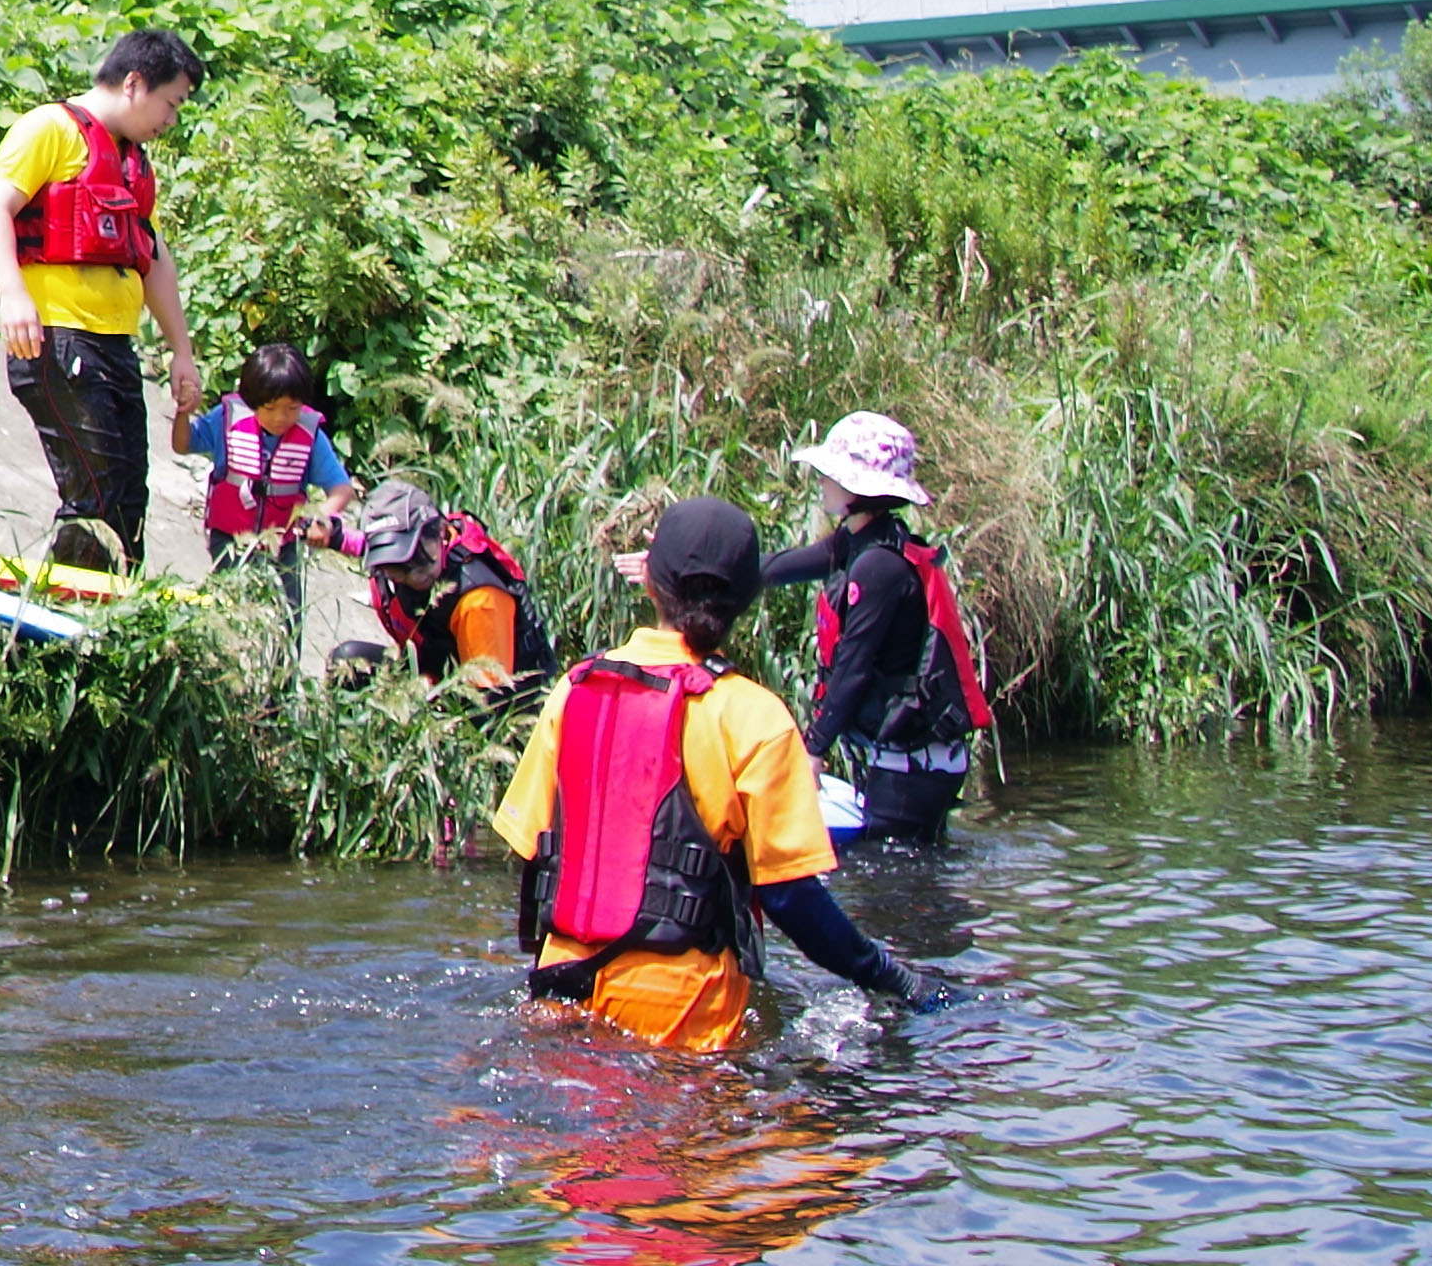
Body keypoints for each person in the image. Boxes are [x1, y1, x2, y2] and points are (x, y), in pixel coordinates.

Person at [494, 495, 947, 1051]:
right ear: (748, 601)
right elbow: (790, 899)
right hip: (682, 1010)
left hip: (559, 991)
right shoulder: (754, 716)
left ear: (651, 584)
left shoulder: (577, 687)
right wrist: (890, 976)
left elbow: (531, 851)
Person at [0, 30, 206, 573]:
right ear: (134, 83)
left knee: (127, 499)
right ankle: (68, 628)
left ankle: (112, 623)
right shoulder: (49, 129)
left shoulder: (132, 162)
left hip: (113, 348)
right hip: (57, 340)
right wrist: (13, 294)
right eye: (170, 104)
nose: (170, 121)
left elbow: (152, 256)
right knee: (95, 497)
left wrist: (182, 351)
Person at [763, 411, 994, 845]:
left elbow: (854, 668)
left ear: (860, 488)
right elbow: (774, 570)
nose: (821, 480)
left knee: (894, 891)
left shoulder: (879, 566)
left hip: (915, 766)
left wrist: (812, 751)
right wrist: (686, 573)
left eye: (831, 473)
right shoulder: (859, 543)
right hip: (902, 761)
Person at [322, 480, 556, 707]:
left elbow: (487, 704)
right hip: (433, 677)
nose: (413, 574)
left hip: (486, 704)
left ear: (441, 531)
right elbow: (368, 545)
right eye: (398, 568)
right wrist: (336, 537)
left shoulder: (479, 600)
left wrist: (423, 701)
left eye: (419, 559)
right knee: (348, 662)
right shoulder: (391, 563)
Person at [172, 341, 355, 626]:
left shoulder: (310, 436)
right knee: (232, 612)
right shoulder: (226, 420)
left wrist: (321, 519)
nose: (282, 418)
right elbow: (182, 445)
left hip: (285, 544)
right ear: (251, 401)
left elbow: (341, 489)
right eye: (270, 408)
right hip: (231, 538)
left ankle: (284, 669)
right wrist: (183, 411)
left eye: (292, 408)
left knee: (287, 619)